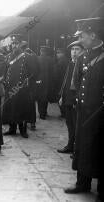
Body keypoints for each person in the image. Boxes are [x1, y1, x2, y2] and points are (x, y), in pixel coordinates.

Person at [64, 18, 104, 202]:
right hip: (84, 110)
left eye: (83, 36)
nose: (80, 40)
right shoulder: (83, 56)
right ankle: (82, 183)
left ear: (93, 35)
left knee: (99, 148)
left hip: (100, 113)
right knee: (83, 146)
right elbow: (78, 82)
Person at [2, 34, 38, 138]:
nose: (14, 46)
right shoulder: (8, 57)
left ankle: (23, 130)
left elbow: (34, 72)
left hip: (22, 88)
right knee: (11, 108)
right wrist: (4, 80)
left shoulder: (27, 57)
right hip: (10, 87)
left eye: (16, 43)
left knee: (21, 108)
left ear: (20, 44)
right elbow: (6, 71)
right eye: (13, 43)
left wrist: (28, 81)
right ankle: (12, 129)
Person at [57, 41, 84, 154]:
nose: (74, 52)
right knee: (70, 124)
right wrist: (62, 95)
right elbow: (66, 81)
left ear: (82, 51)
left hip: (76, 100)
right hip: (68, 99)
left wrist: (75, 99)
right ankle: (70, 145)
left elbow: (82, 85)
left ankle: (77, 149)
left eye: (77, 49)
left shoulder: (83, 65)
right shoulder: (71, 63)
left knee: (77, 126)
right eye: (72, 50)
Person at [36, 46, 54, 120]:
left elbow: (35, 71)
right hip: (47, 81)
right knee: (45, 97)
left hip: (39, 81)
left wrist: (36, 81)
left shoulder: (37, 58)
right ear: (46, 52)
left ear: (40, 51)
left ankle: (41, 113)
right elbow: (52, 71)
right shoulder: (50, 59)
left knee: (40, 97)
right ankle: (44, 112)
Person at [55, 48, 68, 117]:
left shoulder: (60, 62)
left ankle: (63, 113)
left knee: (60, 98)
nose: (57, 54)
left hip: (60, 83)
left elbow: (57, 74)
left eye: (58, 53)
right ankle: (64, 113)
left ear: (63, 54)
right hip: (65, 82)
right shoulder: (67, 60)